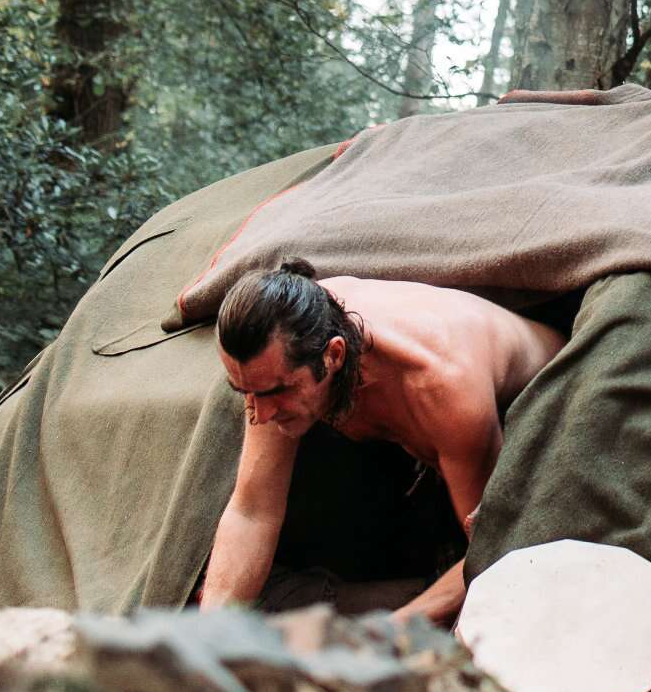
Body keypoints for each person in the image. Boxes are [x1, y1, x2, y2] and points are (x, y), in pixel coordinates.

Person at [198, 257, 568, 624]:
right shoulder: (285, 330)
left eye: (277, 392)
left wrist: (385, 632)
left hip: (545, 429)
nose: (260, 414)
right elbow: (252, 511)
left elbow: (495, 552)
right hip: (433, 472)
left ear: (334, 355)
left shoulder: (442, 385)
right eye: (245, 392)